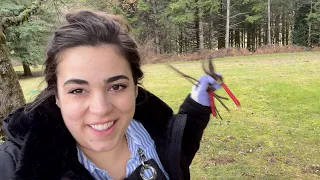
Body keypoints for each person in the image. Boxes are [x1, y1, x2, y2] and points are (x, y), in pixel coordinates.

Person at [0, 10, 221, 180]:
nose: (101, 108)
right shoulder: (13, 164)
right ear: (56, 95)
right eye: (77, 90)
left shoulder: (154, 130)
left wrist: (196, 107)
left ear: (136, 88)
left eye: (116, 86)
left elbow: (178, 155)